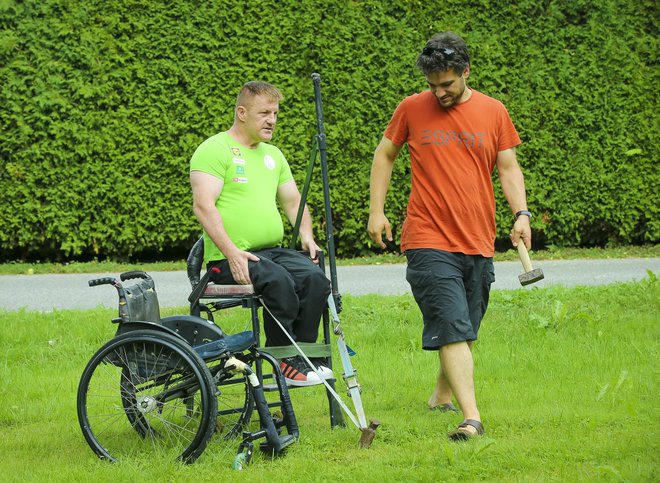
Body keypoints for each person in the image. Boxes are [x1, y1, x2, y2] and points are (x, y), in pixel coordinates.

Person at [368, 32, 532, 440]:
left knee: (467, 323)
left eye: (447, 84)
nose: (439, 92)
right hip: (427, 235)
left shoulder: (494, 112)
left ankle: (441, 395)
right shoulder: (411, 108)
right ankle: (471, 417)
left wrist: (521, 213)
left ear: (466, 72)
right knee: (451, 321)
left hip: (478, 236)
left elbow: (508, 168)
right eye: (432, 85)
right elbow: (385, 154)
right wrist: (377, 210)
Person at [189, 80, 332, 386]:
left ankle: (303, 354)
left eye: (275, 113)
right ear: (241, 112)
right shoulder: (214, 150)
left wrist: (307, 235)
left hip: (270, 252)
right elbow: (203, 207)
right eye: (264, 113)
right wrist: (230, 252)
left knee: (316, 279)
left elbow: (293, 202)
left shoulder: (273, 155)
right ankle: (285, 359)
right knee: (279, 281)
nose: (272, 120)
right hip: (229, 258)